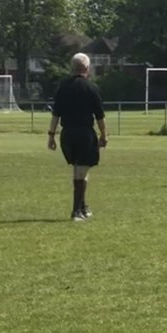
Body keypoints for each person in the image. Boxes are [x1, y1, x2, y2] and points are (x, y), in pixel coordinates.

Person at [49, 52, 107, 220]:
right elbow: (100, 116)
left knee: (79, 169)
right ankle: (76, 212)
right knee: (80, 172)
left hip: (67, 134)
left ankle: (83, 206)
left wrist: (51, 135)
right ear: (87, 68)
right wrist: (104, 135)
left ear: (72, 67)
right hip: (84, 134)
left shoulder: (62, 87)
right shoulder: (91, 88)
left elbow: (55, 114)